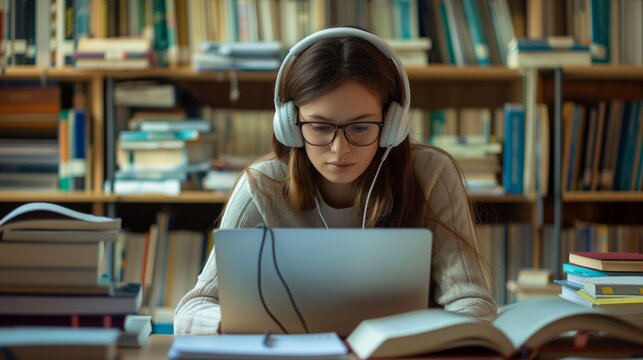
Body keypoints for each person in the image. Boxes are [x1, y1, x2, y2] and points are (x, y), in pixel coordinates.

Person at [174, 27, 497, 335]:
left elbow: (473, 302)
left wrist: (441, 339)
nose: (339, 149)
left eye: (360, 127)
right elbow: (193, 310)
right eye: (319, 127)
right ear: (290, 125)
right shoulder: (263, 187)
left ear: (391, 125)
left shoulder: (430, 174)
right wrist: (234, 324)